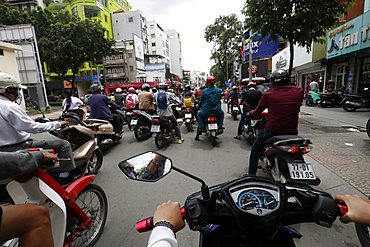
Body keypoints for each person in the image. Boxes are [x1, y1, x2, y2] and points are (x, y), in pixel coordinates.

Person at [0, 72, 75, 183]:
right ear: (6, 90)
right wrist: (58, 124)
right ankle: (65, 177)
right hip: (17, 146)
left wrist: (34, 119)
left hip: (3, 150)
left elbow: (9, 125)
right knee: (64, 145)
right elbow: (32, 128)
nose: (17, 93)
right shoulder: (9, 106)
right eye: (15, 90)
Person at [247, 69, 304, 175]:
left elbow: (256, 113)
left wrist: (251, 114)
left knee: (255, 149)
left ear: (273, 81)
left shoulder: (269, 94)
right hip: (292, 131)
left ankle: (251, 175)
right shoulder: (299, 91)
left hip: (272, 130)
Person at [0, 150, 57, 246]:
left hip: (15, 148)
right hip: (16, 147)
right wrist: (38, 156)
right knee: (38, 217)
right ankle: (65, 174)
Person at [195, 76, 224, 141]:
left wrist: (199, 106)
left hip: (206, 111)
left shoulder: (204, 91)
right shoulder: (218, 90)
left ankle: (202, 127)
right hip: (217, 111)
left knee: (199, 115)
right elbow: (219, 99)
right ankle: (220, 125)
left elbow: (201, 101)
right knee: (222, 114)